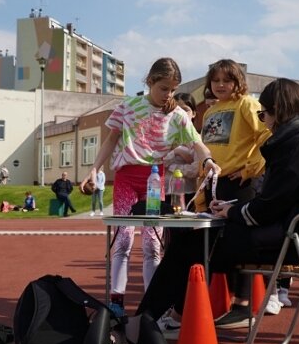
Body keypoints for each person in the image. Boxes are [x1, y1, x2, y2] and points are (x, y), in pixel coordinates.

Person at [128, 78, 299, 338]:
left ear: (278, 110)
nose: (264, 120)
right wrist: (234, 208)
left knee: (190, 245)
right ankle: (170, 319)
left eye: (264, 114)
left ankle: (142, 325)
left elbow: (267, 208)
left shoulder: (297, 144)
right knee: (199, 243)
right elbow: (281, 199)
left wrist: (233, 212)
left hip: (297, 241)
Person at [80, 57, 220, 318]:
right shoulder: (128, 106)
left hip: (154, 181)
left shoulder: (177, 115)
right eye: (164, 88)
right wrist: (96, 168)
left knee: (152, 245)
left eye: (173, 89)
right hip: (126, 179)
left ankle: (151, 306)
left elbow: (198, 143)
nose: (169, 94)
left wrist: (209, 160)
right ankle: (116, 302)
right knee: (122, 240)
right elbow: (111, 139)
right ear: (150, 82)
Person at [200, 59, 271, 209]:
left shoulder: (246, 103)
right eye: (215, 80)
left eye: (226, 80)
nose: (220, 85)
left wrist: (250, 168)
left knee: (236, 230)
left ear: (238, 82)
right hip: (212, 181)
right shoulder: (209, 111)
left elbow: (267, 134)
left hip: (238, 181)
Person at [163, 93, 202, 210]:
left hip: (187, 192)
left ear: (194, 113)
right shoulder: (165, 137)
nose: (181, 114)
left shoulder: (197, 140)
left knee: (184, 227)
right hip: (165, 192)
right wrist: (176, 151)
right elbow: (159, 162)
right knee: (165, 227)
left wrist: (171, 166)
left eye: (186, 110)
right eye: (176, 110)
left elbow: (195, 169)